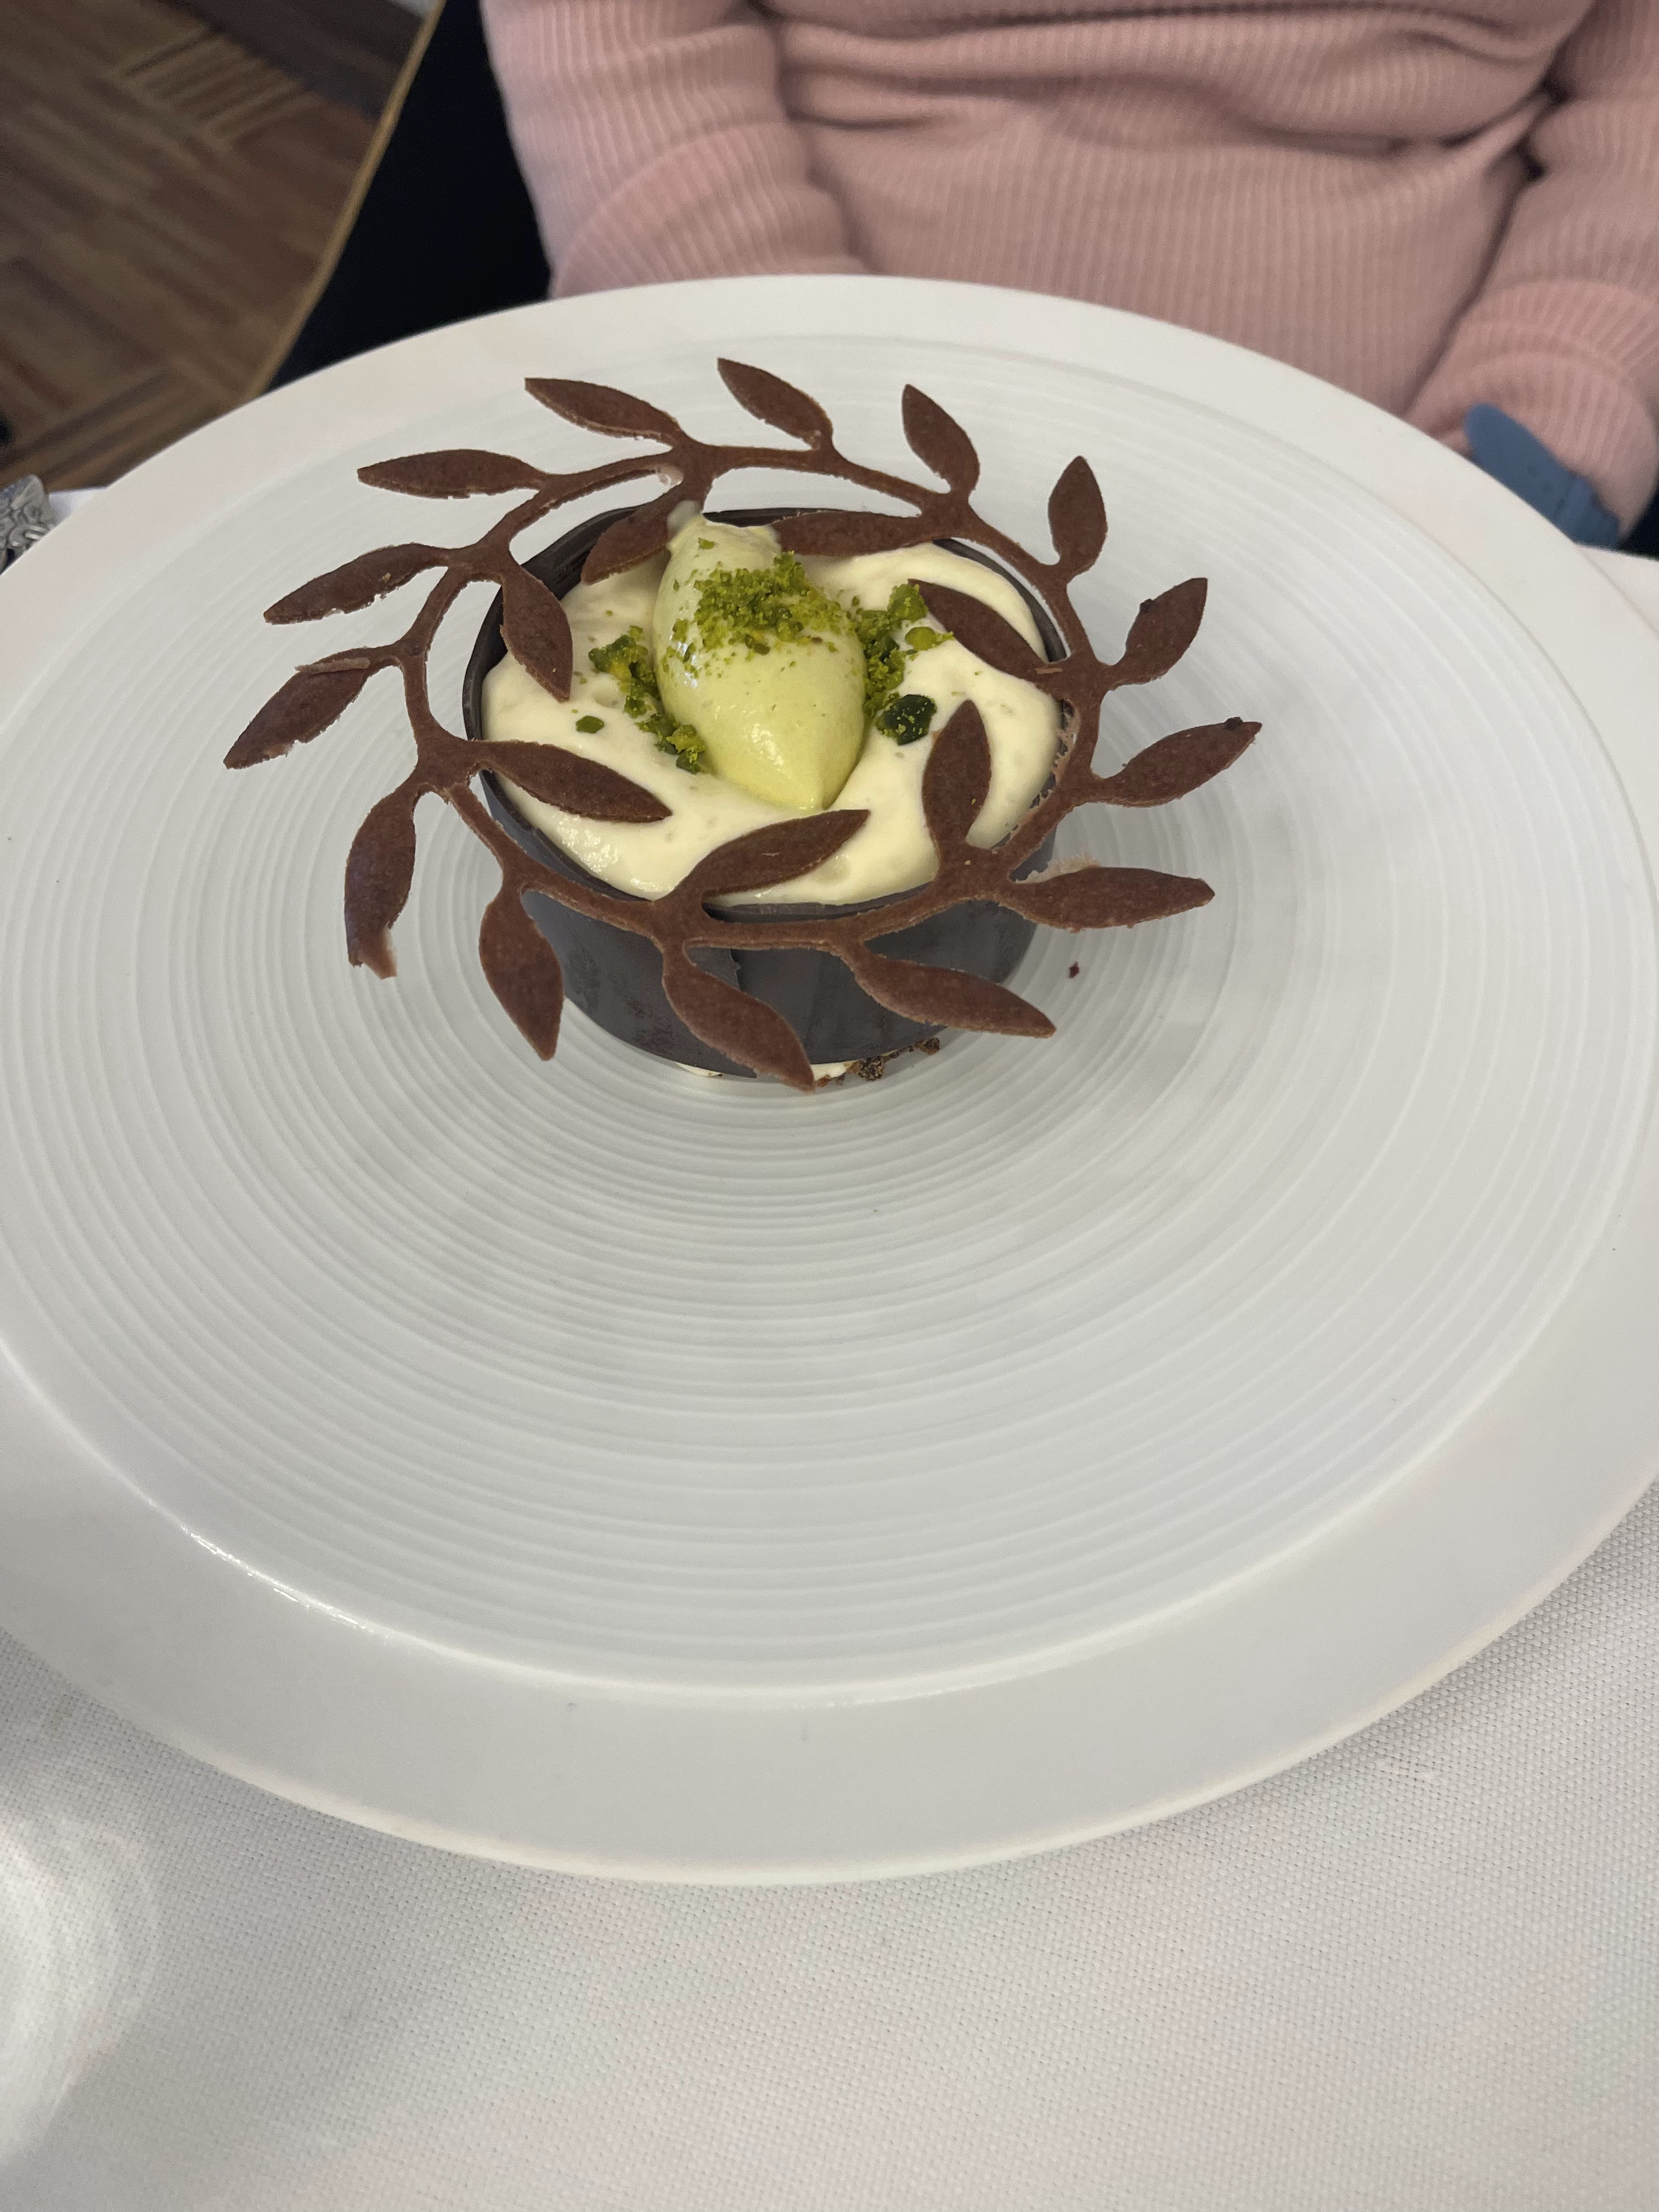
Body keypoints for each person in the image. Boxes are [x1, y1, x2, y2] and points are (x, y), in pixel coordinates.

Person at [478, 0, 1659, 547]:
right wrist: (789, 406)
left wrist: (1544, 434)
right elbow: (615, 38)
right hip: (799, 412)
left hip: (1423, 486)